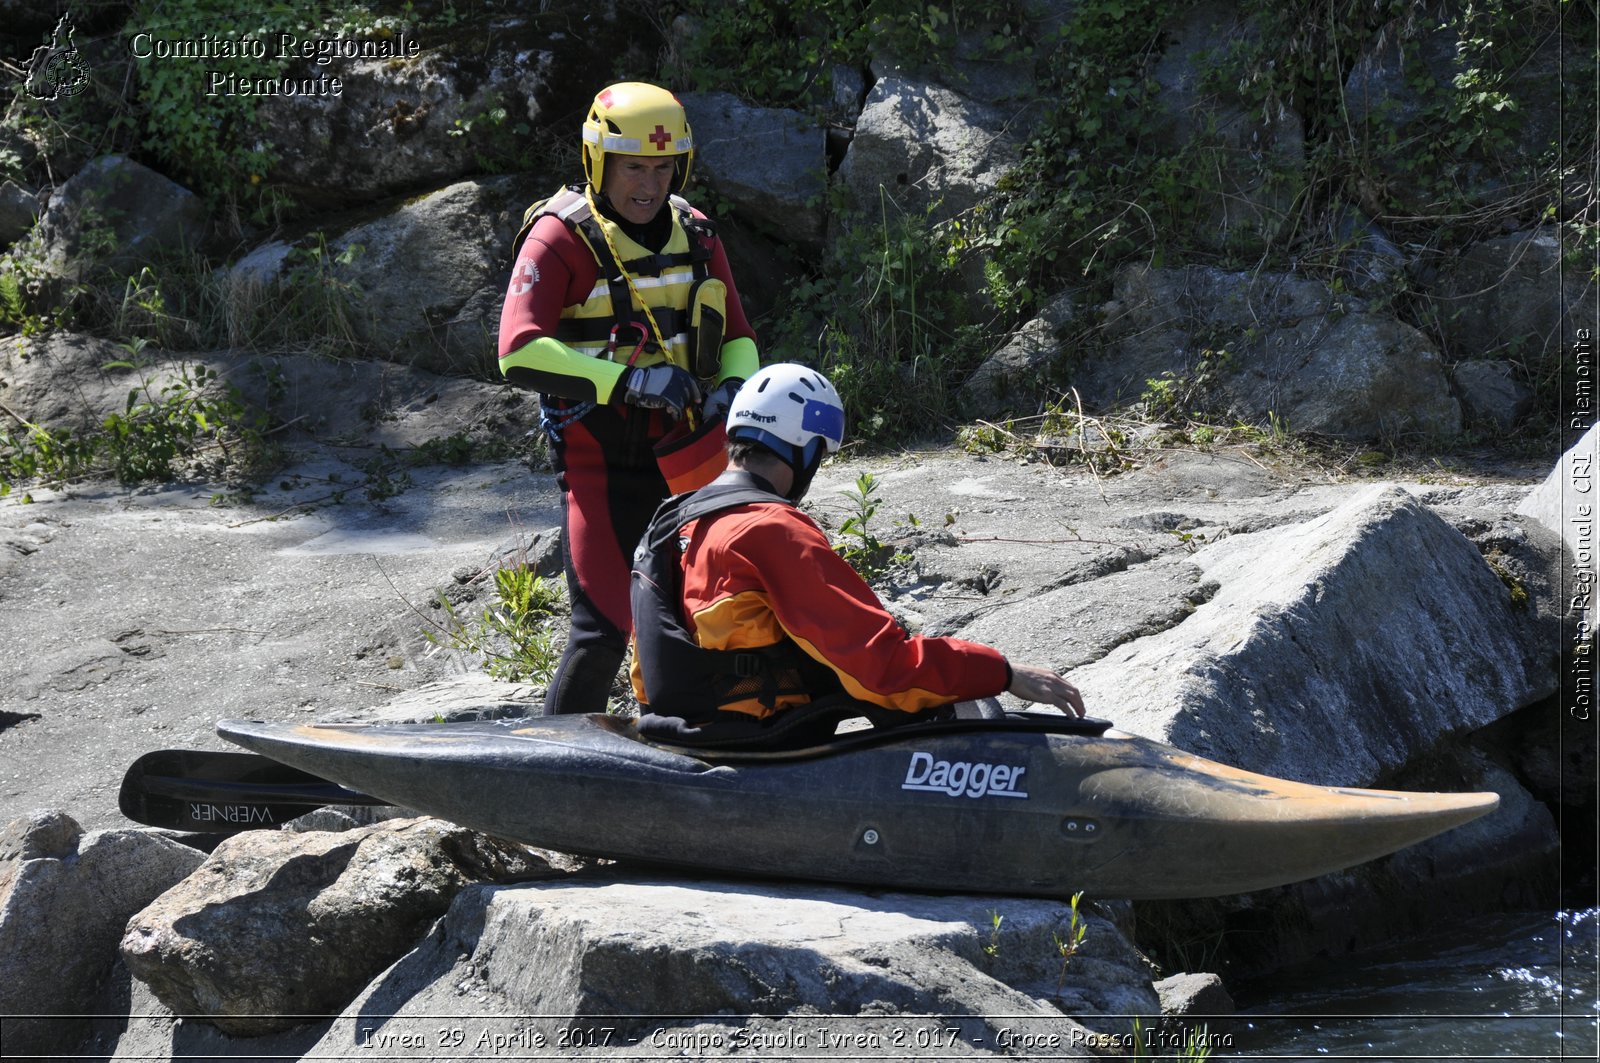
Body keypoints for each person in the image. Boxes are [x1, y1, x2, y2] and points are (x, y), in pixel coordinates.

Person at [629, 363, 1086, 748]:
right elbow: (882, 667)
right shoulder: (770, 528)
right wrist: (1001, 672)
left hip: (680, 727)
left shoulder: (676, 520)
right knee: (959, 696)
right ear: (803, 451)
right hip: (761, 738)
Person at [498, 82, 760, 715]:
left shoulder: (695, 233)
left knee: (712, 618)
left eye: (663, 166)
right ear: (598, 163)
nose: (650, 184)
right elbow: (517, 349)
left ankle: (708, 752)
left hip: (691, 459)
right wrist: (633, 381)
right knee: (602, 633)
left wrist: (732, 387)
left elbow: (741, 336)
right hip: (601, 467)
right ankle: (548, 773)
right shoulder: (560, 238)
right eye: (633, 167)